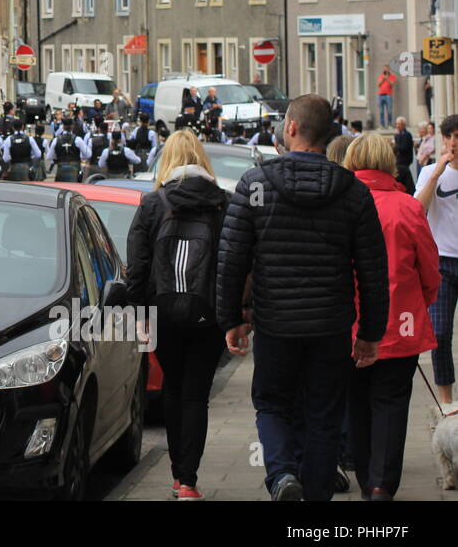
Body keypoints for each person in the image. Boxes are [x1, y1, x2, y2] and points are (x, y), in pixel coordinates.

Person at [217, 94, 390, 501]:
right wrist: (370, 332)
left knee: (274, 404)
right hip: (331, 325)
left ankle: (280, 475)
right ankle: (314, 495)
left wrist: (231, 319)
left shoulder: (255, 185)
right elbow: (372, 269)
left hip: (276, 323)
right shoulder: (351, 191)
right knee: (324, 416)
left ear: (291, 127)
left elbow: (232, 260)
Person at [125, 130, 228, 500]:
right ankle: (188, 480)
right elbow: (233, 263)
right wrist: (236, 314)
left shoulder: (153, 203)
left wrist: (139, 312)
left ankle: (175, 474)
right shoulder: (222, 203)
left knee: (172, 386)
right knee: (196, 394)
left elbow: (137, 265)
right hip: (208, 316)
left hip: (162, 314)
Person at [343, 132, 440, 499]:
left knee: (356, 401)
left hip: (348, 322)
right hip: (401, 318)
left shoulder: (339, 204)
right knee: (392, 402)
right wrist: (421, 300)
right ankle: (383, 483)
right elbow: (430, 269)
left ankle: (368, 478)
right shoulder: (407, 206)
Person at [416, 113, 458, 406]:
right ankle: (447, 403)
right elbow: (417, 209)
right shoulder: (431, 172)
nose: (453, 143)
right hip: (441, 263)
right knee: (440, 334)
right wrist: (436, 172)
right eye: (448, 137)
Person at [393, 117, 416, 195]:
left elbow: (404, 147)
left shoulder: (407, 134)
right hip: (399, 159)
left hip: (405, 159)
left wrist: (395, 147)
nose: (398, 126)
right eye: (397, 124)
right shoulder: (398, 134)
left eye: (399, 124)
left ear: (404, 125)